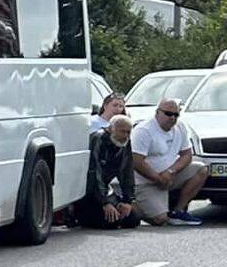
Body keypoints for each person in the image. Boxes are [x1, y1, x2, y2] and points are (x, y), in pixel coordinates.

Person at [130, 97, 206, 226]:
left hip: (169, 176)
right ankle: (133, 204)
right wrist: (158, 178)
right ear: (157, 112)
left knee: (201, 169)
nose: (172, 118)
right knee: (160, 220)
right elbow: (137, 161)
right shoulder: (144, 130)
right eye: (168, 114)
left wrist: (171, 171)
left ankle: (178, 210)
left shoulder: (180, 126)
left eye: (176, 114)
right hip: (146, 181)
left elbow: (187, 154)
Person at [77, 115, 139, 229]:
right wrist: (105, 203)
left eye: (128, 132)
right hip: (89, 191)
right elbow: (95, 173)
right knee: (111, 222)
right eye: (122, 132)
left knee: (132, 219)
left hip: (106, 189)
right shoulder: (98, 139)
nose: (125, 136)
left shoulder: (126, 143)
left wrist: (127, 201)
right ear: (110, 129)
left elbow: (127, 173)